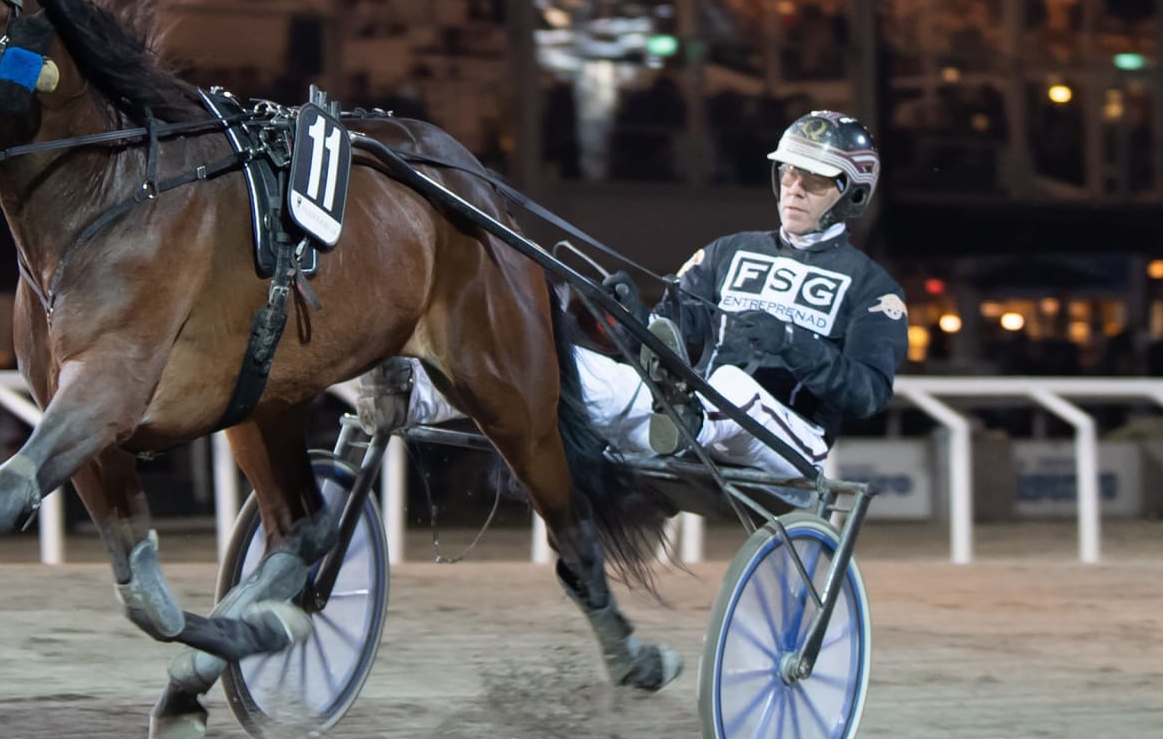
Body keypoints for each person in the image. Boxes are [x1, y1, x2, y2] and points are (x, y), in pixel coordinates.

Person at [360, 110, 910, 484]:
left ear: (851, 194)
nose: (794, 186)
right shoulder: (726, 252)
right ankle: (418, 400)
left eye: (813, 179)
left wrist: (792, 343)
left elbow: (867, 393)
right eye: (789, 172)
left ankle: (686, 421)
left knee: (728, 385)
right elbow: (679, 333)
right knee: (570, 371)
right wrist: (631, 319)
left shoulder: (874, 290)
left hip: (791, 442)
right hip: (689, 410)